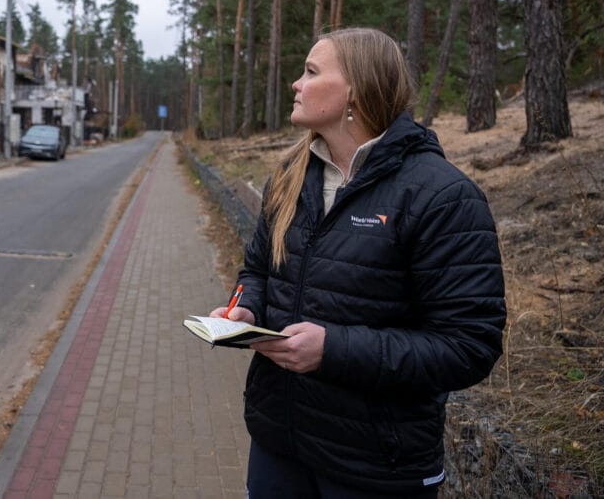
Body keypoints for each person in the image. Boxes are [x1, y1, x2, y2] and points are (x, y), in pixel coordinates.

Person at [211, 28, 506, 497]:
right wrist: (242, 309)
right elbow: (257, 271)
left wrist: (334, 349)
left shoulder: (442, 196)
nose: (296, 84)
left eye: (310, 72)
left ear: (355, 91)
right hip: (278, 441)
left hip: (377, 465)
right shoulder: (290, 177)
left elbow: (469, 346)